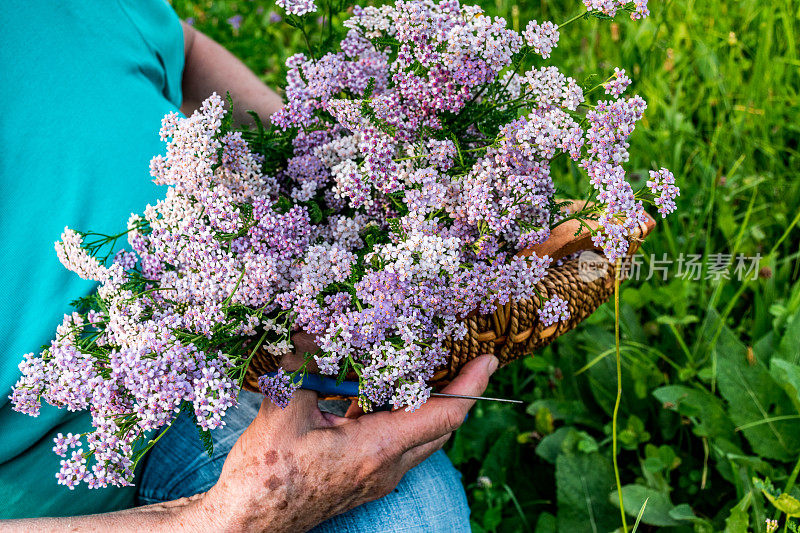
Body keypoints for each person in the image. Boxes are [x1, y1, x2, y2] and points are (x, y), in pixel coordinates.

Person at [0, 1, 495, 530]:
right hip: (73, 444)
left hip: (238, 318)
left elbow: (180, 50)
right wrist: (226, 517)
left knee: (410, 500)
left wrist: (321, 157)